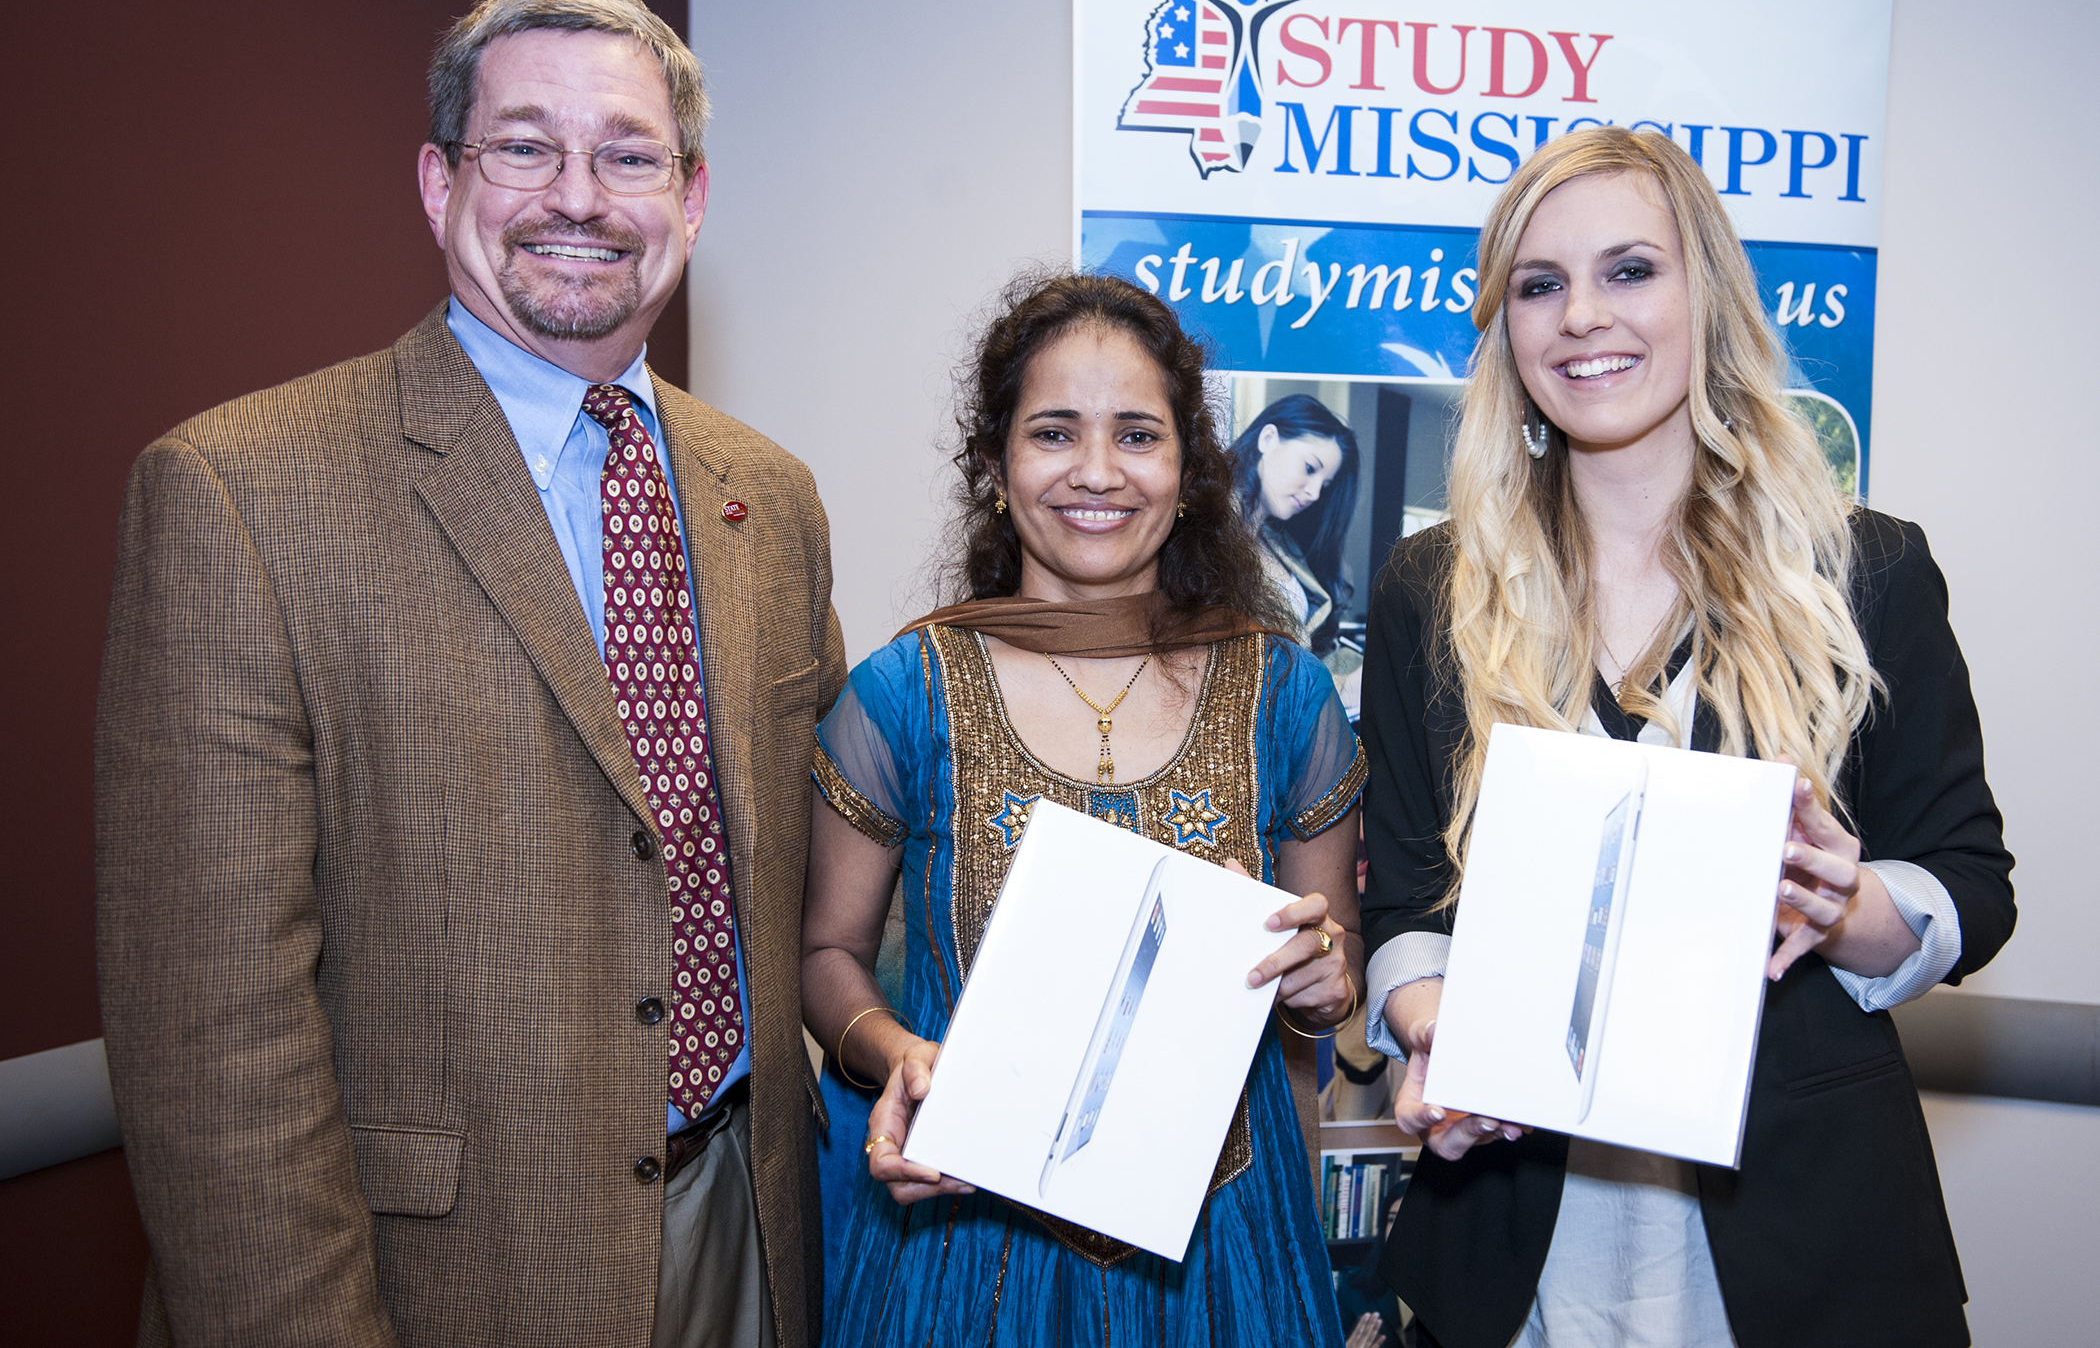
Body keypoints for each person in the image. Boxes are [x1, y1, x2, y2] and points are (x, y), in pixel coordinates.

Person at [94, 0, 841, 1348]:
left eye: (629, 155)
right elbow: (212, 1045)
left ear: (692, 198)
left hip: (749, 1227)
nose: (582, 197)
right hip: (437, 1280)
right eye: (524, 147)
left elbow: (833, 875)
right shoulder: (238, 491)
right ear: (440, 181)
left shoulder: (768, 496)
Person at [1357, 127, 2015, 1348]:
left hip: (1810, 1239)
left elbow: (1973, 882)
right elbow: (1403, 901)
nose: (1581, 318)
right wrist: (1436, 1032)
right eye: (1538, 285)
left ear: (1705, 293)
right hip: (1512, 1242)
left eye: (1629, 271)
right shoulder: (1428, 589)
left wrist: (1849, 901)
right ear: (1504, 327)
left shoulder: (1864, 569)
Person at [801, 272, 1366, 1346]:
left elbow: (1322, 989)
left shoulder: (1283, 697)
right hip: (968, 1253)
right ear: (996, 463)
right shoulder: (904, 691)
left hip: (1226, 1251)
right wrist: (896, 1049)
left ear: (1190, 472)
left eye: (1138, 435)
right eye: (1055, 432)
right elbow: (826, 953)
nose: (1097, 472)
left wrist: (1321, 981)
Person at [1230, 393, 1361, 659]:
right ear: (1268, 439)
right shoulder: (1202, 529)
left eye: (1324, 486)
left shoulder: (1280, 544)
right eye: (1310, 468)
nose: (1314, 493)